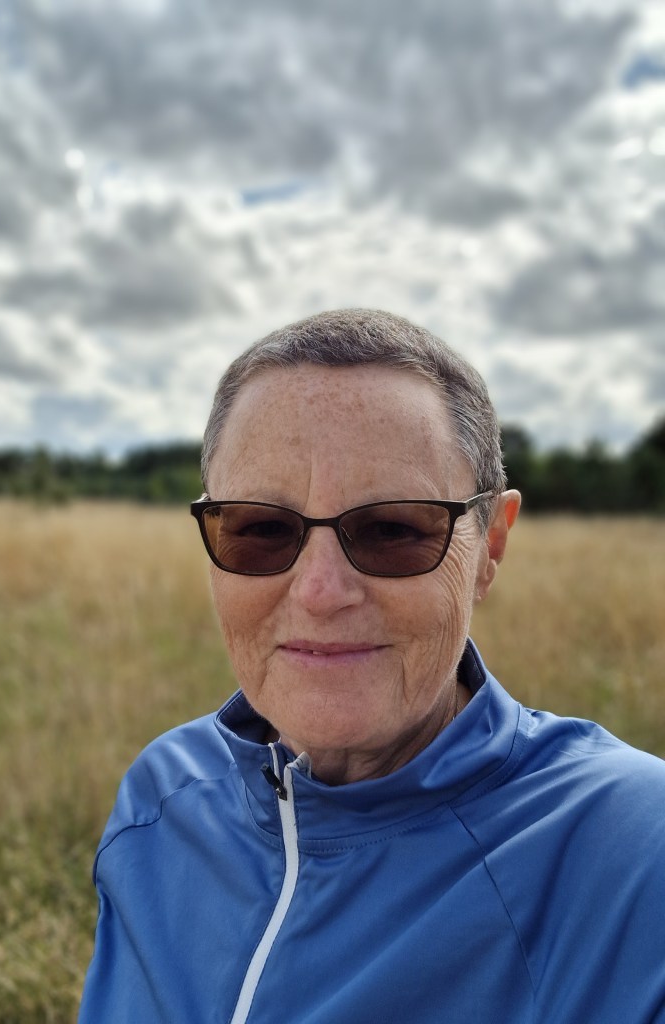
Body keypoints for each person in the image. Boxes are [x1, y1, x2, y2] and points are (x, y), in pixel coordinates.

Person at [79, 309, 665, 1023]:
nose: (321, 592)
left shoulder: (631, 846)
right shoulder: (163, 803)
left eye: (392, 529)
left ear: (490, 546)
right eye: (261, 529)